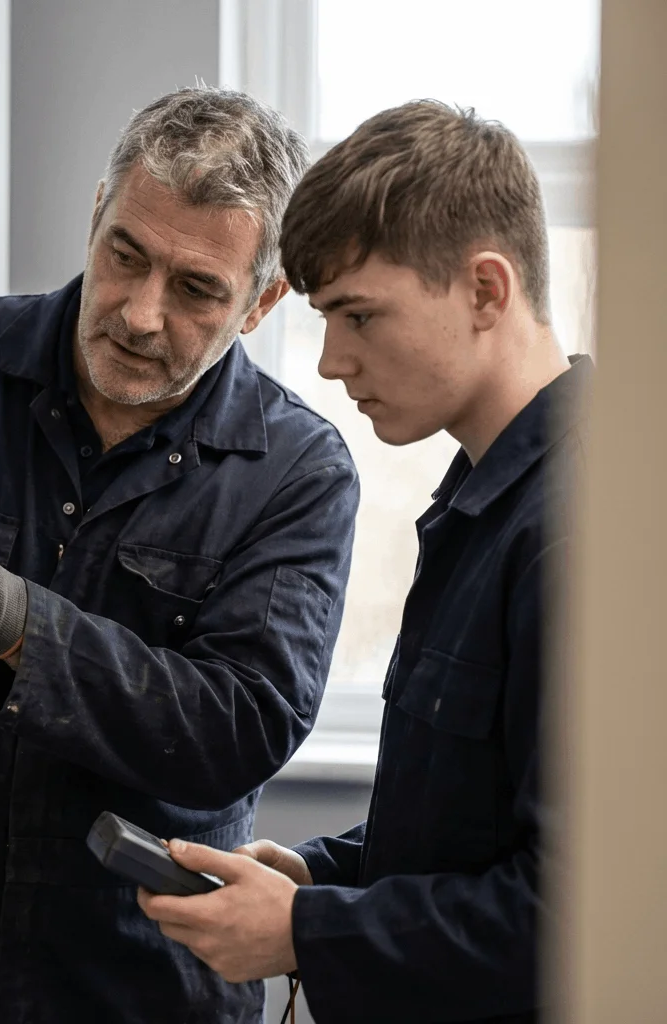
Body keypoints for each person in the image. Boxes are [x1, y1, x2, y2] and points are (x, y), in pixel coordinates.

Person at [0, 87, 359, 1024]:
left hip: (133, 986)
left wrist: (6, 613)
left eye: (195, 290)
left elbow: (239, 727)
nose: (140, 315)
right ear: (97, 213)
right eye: (125, 256)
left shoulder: (298, 473)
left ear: (261, 302)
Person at [139, 100, 591, 1023]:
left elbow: (577, 919)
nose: (333, 362)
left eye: (359, 315)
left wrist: (308, 931)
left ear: (486, 291)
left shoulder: (584, 534)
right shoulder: (482, 505)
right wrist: (317, 877)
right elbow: (470, 831)